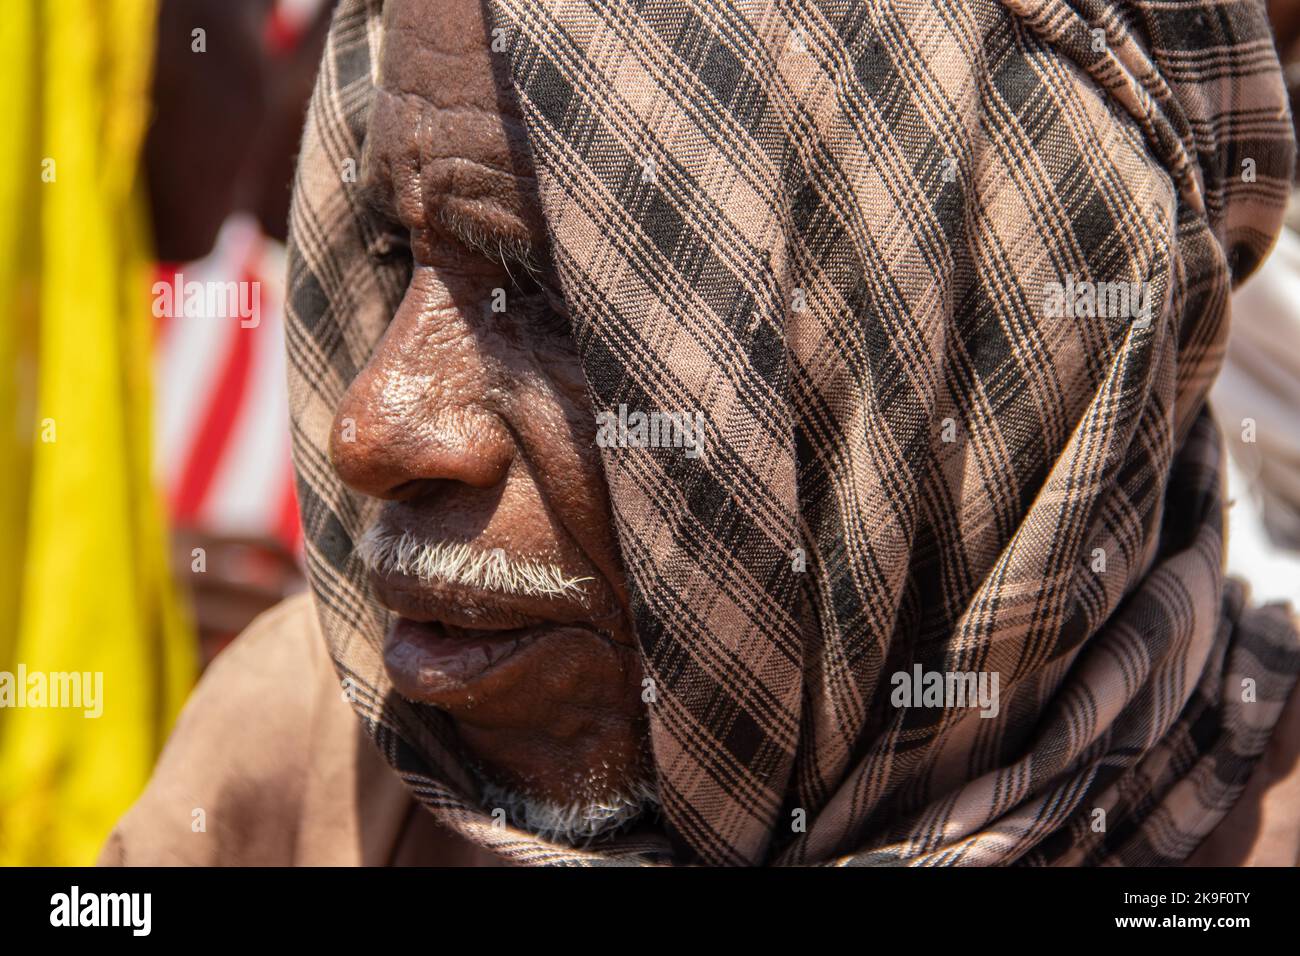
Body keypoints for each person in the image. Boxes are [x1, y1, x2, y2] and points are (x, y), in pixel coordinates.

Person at [102, 0, 1300, 866]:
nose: (370, 428)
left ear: (980, 346)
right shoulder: (308, 758)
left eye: (556, 295)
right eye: (400, 254)